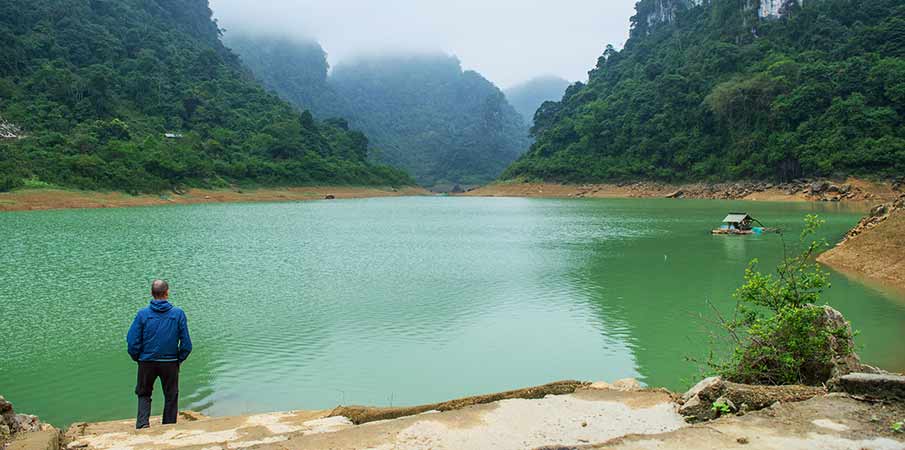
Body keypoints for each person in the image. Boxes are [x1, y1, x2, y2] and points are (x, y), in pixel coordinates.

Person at [126, 279, 192, 429]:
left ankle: (143, 425)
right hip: (170, 362)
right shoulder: (178, 314)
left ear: (151, 293)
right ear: (167, 293)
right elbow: (186, 344)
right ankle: (168, 428)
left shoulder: (143, 314)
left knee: (144, 393)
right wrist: (178, 360)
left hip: (146, 361)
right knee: (171, 395)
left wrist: (138, 358)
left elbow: (132, 341)